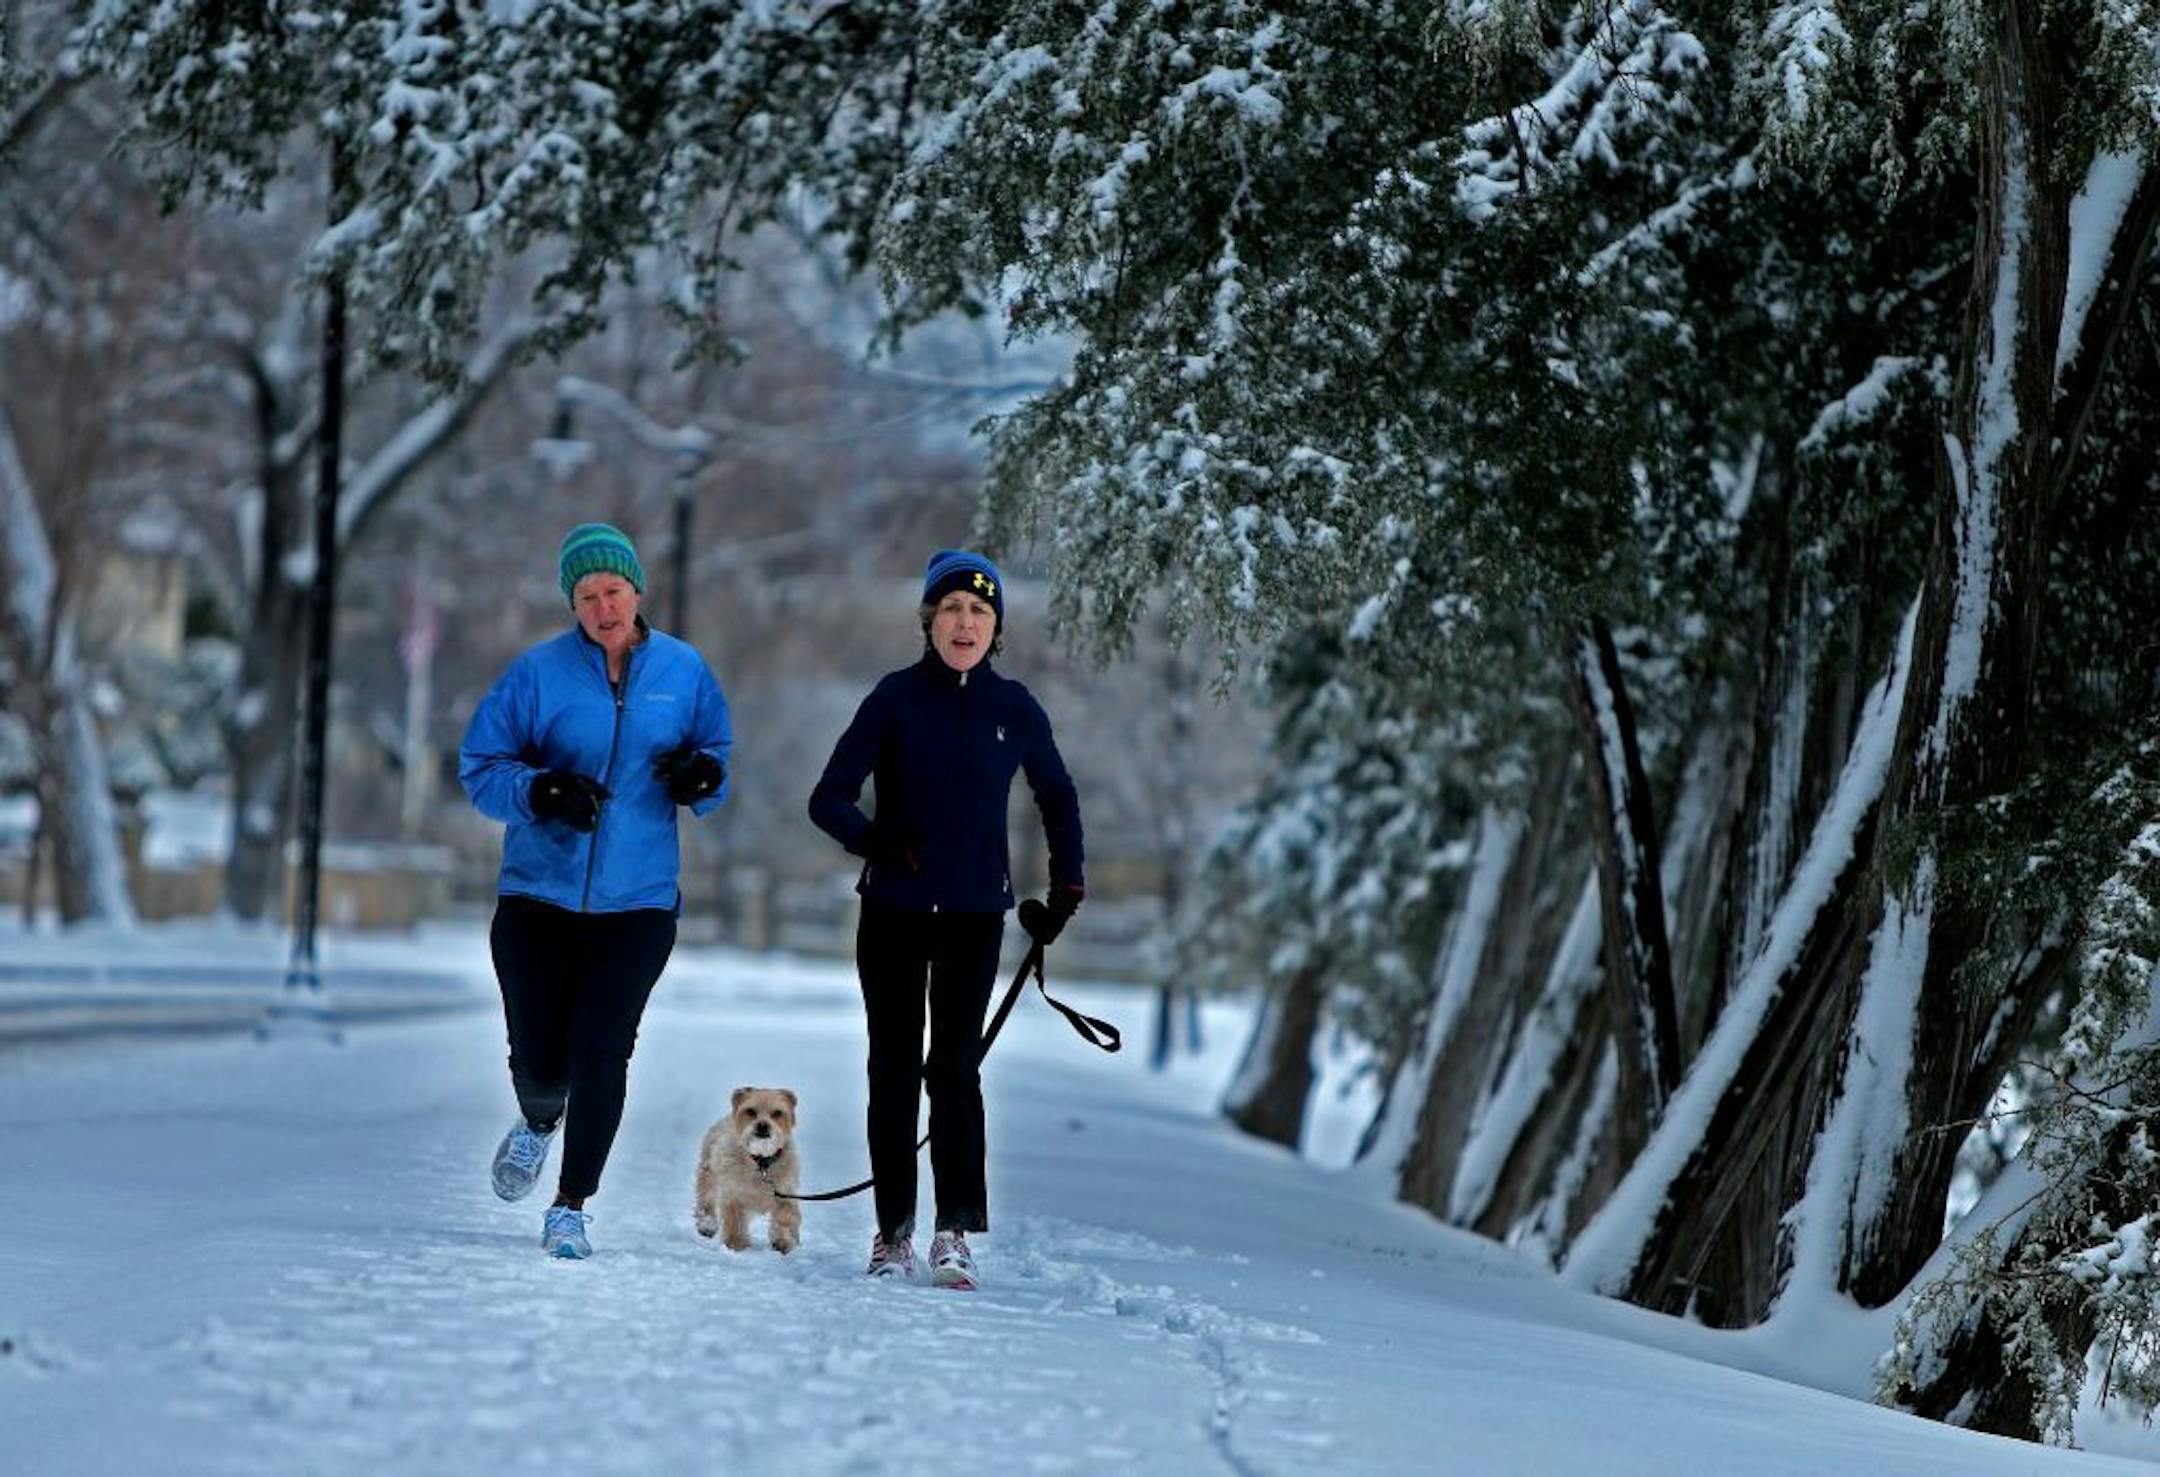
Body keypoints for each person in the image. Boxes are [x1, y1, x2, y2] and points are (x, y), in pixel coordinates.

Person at [808, 549, 1085, 1288]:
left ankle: (953, 1229)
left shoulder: (1015, 707)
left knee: (954, 1070)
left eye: (981, 611)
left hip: (974, 916)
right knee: (892, 1068)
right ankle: (892, 1233)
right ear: (929, 620)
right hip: (892, 912)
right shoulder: (894, 698)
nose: (966, 622)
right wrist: (876, 841)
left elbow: (1058, 797)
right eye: (953, 609)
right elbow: (828, 796)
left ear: (996, 628)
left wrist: (1068, 886)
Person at [459, 522, 733, 1259]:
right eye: (587, 595)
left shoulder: (684, 670)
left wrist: (702, 776)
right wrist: (541, 790)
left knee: (603, 1048)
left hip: (638, 903)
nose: (604, 606)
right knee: (541, 1064)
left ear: (637, 589)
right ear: (572, 603)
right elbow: (480, 765)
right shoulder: (537, 674)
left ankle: (570, 1204)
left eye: (613, 590)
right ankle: (539, 1119)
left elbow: (717, 755)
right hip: (537, 898)